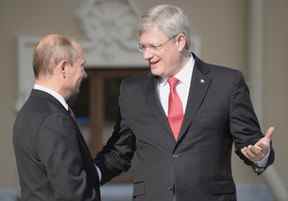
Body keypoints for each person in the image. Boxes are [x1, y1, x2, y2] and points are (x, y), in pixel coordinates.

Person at [95, 4, 275, 201]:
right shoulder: (132, 90)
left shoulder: (226, 83)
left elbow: (250, 141)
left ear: (180, 41)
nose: (146, 55)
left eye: (154, 46)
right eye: (142, 47)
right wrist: (86, 176)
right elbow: (119, 152)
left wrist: (260, 156)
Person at [13, 34, 101, 201]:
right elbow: (73, 193)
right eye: (82, 66)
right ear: (64, 68)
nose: (85, 74)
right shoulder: (54, 118)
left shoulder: (29, 110)